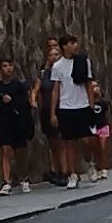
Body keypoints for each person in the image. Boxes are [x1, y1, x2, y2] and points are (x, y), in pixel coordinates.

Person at [48, 35, 94, 188]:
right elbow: (55, 89)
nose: (75, 46)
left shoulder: (83, 61)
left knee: (86, 140)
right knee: (68, 143)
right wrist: (53, 112)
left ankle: (89, 162)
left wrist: (91, 104)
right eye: (72, 43)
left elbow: (88, 83)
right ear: (64, 46)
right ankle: (73, 174)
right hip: (66, 107)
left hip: (83, 105)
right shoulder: (58, 66)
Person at [0, 57, 33, 195]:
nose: (8, 68)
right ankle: (6, 181)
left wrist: (13, 100)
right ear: (0, 69)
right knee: (6, 151)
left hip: (18, 121)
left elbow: (25, 103)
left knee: (20, 152)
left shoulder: (19, 86)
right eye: (4, 66)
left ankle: (24, 178)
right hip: (5, 121)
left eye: (10, 65)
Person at [31, 42, 67, 186]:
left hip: (60, 109)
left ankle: (65, 171)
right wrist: (33, 100)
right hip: (45, 110)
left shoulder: (63, 72)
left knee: (62, 142)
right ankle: (56, 170)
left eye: (56, 54)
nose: (54, 57)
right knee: (52, 142)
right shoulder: (44, 73)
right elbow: (36, 89)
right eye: (51, 55)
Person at [87, 79, 111, 182]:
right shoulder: (87, 104)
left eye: (97, 86)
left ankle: (104, 168)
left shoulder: (103, 103)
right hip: (93, 128)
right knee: (95, 149)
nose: (95, 89)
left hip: (103, 127)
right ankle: (97, 167)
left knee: (102, 146)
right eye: (93, 87)